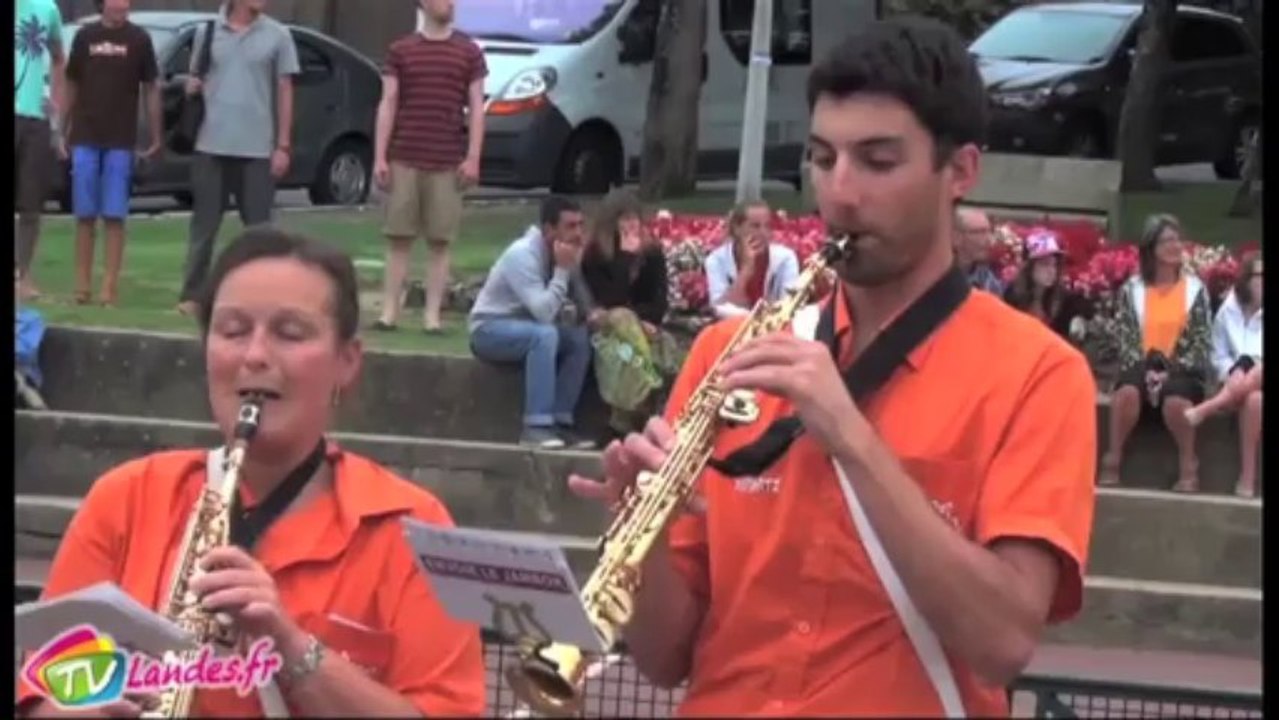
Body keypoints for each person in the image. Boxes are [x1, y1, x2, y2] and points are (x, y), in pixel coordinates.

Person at [567, 17, 1096, 716]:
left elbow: (1000, 641)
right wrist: (648, 532)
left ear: (960, 171)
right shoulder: (724, 357)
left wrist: (850, 437)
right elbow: (665, 660)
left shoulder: (1038, 374)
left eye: (877, 162)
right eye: (822, 158)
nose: (839, 194)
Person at [15, 229, 486, 718]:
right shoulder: (126, 497)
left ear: (347, 361)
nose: (254, 355)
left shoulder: (413, 526)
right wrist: (85, 708)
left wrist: (289, 645)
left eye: (290, 333)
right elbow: (41, 699)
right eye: (233, 330)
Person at [176, 0, 299, 317]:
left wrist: (283, 145)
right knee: (203, 228)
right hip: (210, 144)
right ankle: (192, 294)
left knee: (261, 230)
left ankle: (267, 294)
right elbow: (194, 78)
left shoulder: (278, 35)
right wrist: (192, 86)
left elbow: (285, 90)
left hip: (257, 148)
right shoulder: (208, 32)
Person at [373, 0, 487, 334]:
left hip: (447, 160)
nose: (449, 3)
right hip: (404, 155)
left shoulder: (468, 52)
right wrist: (380, 155)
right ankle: (389, 312)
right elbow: (389, 102)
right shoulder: (401, 50)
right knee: (398, 237)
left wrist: (473, 156)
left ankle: (432, 317)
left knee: (440, 241)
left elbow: (477, 108)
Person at [468, 196, 597, 450]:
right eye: (570, 226)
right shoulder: (522, 255)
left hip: (529, 329)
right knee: (545, 335)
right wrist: (561, 270)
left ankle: (560, 422)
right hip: (489, 329)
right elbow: (543, 313)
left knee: (579, 339)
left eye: (580, 225)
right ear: (549, 230)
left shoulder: (564, 252)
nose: (578, 234)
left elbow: (585, 307)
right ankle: (535, 428)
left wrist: (593, 312)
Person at [1099, 214, 1213, 492]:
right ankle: (1113, 458)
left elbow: (1200, 341)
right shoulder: (1132, 289)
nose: (1175, 246)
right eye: (1167, 241)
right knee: (1127, 392)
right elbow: (1124, 337)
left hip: (1181, 370)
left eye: (1177, 239)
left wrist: (1168, 372)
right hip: (1140, 366)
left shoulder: (1196, 289)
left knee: (1175, 398)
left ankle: (1189, 466)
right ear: (1151, 248)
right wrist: (1146, 370)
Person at [61, 0, 163, 307]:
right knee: (84, 214)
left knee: (115, 214)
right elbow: (71, 81)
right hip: (85, 136)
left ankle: (109, 286)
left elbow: (152, 87)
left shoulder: (140, 39)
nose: (123, 6)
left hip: (121, 140)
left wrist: (156, 134)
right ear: (103, 4)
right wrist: (61, 128)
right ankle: (82, 285)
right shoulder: (85, 37)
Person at [580, 188, 680, 437]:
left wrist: (641, 320)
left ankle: (621, 421)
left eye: (634, 218)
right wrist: (624, 258)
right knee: (621, 320)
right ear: (610, 223)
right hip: (605, 329)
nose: (631, 225)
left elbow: (659, 304)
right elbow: (610, 300)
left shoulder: (652, 254)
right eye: (624, 219)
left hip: (638, 332)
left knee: (655, 341)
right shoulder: (595, 256)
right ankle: (651, 384)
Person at [1185, 253, 1262, 497]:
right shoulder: (1228, 309)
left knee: (1259, 371)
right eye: (1259, 276)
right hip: (1240, 384)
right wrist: (1232, 370)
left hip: (1257, 373)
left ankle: (1209, 408)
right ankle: (1247, 477)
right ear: (1247, 279)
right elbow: (1217, 354)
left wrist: (1250, 367)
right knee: (1255, 401)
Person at [14, 0, 67, 301]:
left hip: (34, 116)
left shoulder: (47, 8)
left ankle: (22, 274)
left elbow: (59, 58)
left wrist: (55, 108)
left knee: (31, 203)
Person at [703, 199, 800, 318]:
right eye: (755, 226)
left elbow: (789, 306)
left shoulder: (785, 258)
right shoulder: (716, 260)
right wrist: (746, 271)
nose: (764, 233)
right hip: (733, 328)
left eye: (767, 226)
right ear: (737, 228)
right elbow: (720, 310)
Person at [1003, 228, 1094, 344]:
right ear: (1029, 268)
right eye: (1044, 264)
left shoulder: (1065, 300)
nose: (1051, 271)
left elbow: (1087, 309)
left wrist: (1078, 319)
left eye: (1054, 265)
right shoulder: (1012, 297)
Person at [954, 206, 1004, 294]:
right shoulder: (934, 276)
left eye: (990, 231)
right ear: (957, 237)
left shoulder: (987, 279)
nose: (989, 239)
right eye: (980, 232)